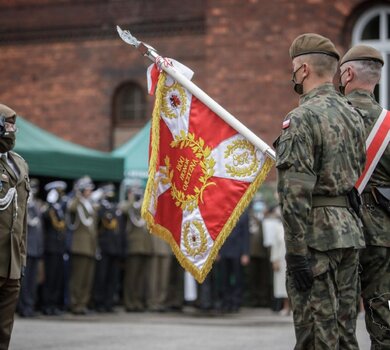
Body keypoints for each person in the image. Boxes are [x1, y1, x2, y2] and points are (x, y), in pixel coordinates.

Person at [274, 33, 366, 349]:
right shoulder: (353, 114)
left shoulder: (301, 118)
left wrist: (295, 253)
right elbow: (358, 170)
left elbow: (294, 193)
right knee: (344, 333)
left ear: (302, 71)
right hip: (350, 233)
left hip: (316, 239)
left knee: (316, 336)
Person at [339, 45, 390, 349]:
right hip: (382, 234)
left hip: (337, 229)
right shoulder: (389, 125)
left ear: (347, 73)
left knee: (339, 313)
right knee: (382, 309)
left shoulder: (324, 118)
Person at [0, 104, 30, 350]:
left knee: (4, 328)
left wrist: (21, 258)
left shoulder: (19, 163)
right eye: (8, 125)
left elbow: (22, 216)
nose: (12, 131)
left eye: (13, 126)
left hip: (11, 263)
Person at [67, 176, 98, 315]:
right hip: (80, 247)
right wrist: (77, 195)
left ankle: (83, 304)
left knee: (87, 279)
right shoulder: (78, 203)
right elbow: (71, 208)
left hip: (90, 247)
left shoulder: (90, 204)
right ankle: (75, 304)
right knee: (78, 279)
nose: (90, 192)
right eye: (87, 189)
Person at [119, 186, 152, 312]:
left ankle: (138, 302)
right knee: (131, 277)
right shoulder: (129, 205)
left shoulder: (144, 206)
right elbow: (124, 209)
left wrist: (143, 200)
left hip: (144, 247)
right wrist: (132, 200)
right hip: (133, 247)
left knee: (140, 278)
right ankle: (129, 303)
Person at [18, 178, 44, 318]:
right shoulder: (25, 203)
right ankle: (24, 308)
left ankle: (30, 306)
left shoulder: (36, 205)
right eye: (32, 187)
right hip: (26, 249)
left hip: (35, 249)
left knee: (32, 281)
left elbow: (40, 230)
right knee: (25, 282)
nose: (34, 190)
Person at [93, 183, 122, 313]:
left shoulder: (115, 208)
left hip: (114, 250)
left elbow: (120, 231)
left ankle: (108, 303)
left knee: (112, 279)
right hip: (104, 248)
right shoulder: (100, 208)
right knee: (101, 277)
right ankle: (98, 303)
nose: (110, 195)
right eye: (107, 193)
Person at [41, 180, 68, 315]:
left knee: (57, 278)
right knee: (50, 278)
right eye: (57, 191)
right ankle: (46, 305)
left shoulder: (59, 208)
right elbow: (45, 219)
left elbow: (62, 226)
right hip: (50, 248)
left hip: (59, 248)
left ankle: (54, 304)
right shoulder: (49, 208)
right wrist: (50, 204)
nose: (59, 193)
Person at [218, 210, 250, 313]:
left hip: (238, 252)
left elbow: (246, 235)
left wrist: (245, 253)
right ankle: (225, 301)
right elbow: (218, 233)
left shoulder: (243, 214)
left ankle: (236, 302)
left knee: (237, 278)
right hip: (224, 250)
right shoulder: (222, 212)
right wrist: (217, 251)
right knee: (224, 278)